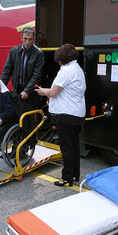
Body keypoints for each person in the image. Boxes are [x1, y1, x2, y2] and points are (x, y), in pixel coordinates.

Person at [35, 44, 86, 187]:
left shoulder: (65, 71)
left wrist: (42, 92)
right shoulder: (77, 69)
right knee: (74, 146)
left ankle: (66, 177)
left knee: (67, 148)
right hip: (77, 113)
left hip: (66, 114)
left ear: (61, 59)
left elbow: (53, 93)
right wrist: (48, 90)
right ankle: (75, 174)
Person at [1, 26, 44, 110]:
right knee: (18, 114)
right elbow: (7, 71)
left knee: (30, 117)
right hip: (17, 89)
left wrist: (27, 91)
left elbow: (36, 75)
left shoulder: (38, 53)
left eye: (30, 39)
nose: (27, 42)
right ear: (21, 38)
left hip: (31, 91)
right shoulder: (14, 51)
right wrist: (1, 87)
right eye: (25, 38)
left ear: (33, 39)